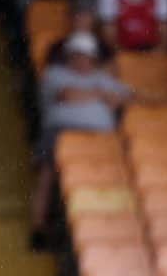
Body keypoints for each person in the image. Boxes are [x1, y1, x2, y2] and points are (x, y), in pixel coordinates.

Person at [30, 32, 132, 250]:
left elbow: (125, 96)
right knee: (47, 175)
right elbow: (67, 95)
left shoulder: (102, 78)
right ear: (69, 56)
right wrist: (99, 94)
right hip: (62, 133)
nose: (83, 60)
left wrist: (104, 94)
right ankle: (38, 227)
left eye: (87, 56)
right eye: (78, 55)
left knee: (108, 178)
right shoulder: (55, 74)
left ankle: (103, 229)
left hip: (100, 138)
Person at [45, 0, 114, 67]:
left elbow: (109, 72)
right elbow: (52, 73)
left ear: (94, 19)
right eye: (77, 15)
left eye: (86, 15)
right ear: (70, 18)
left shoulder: (104, 48)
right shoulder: (58, 47)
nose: (81, 19)